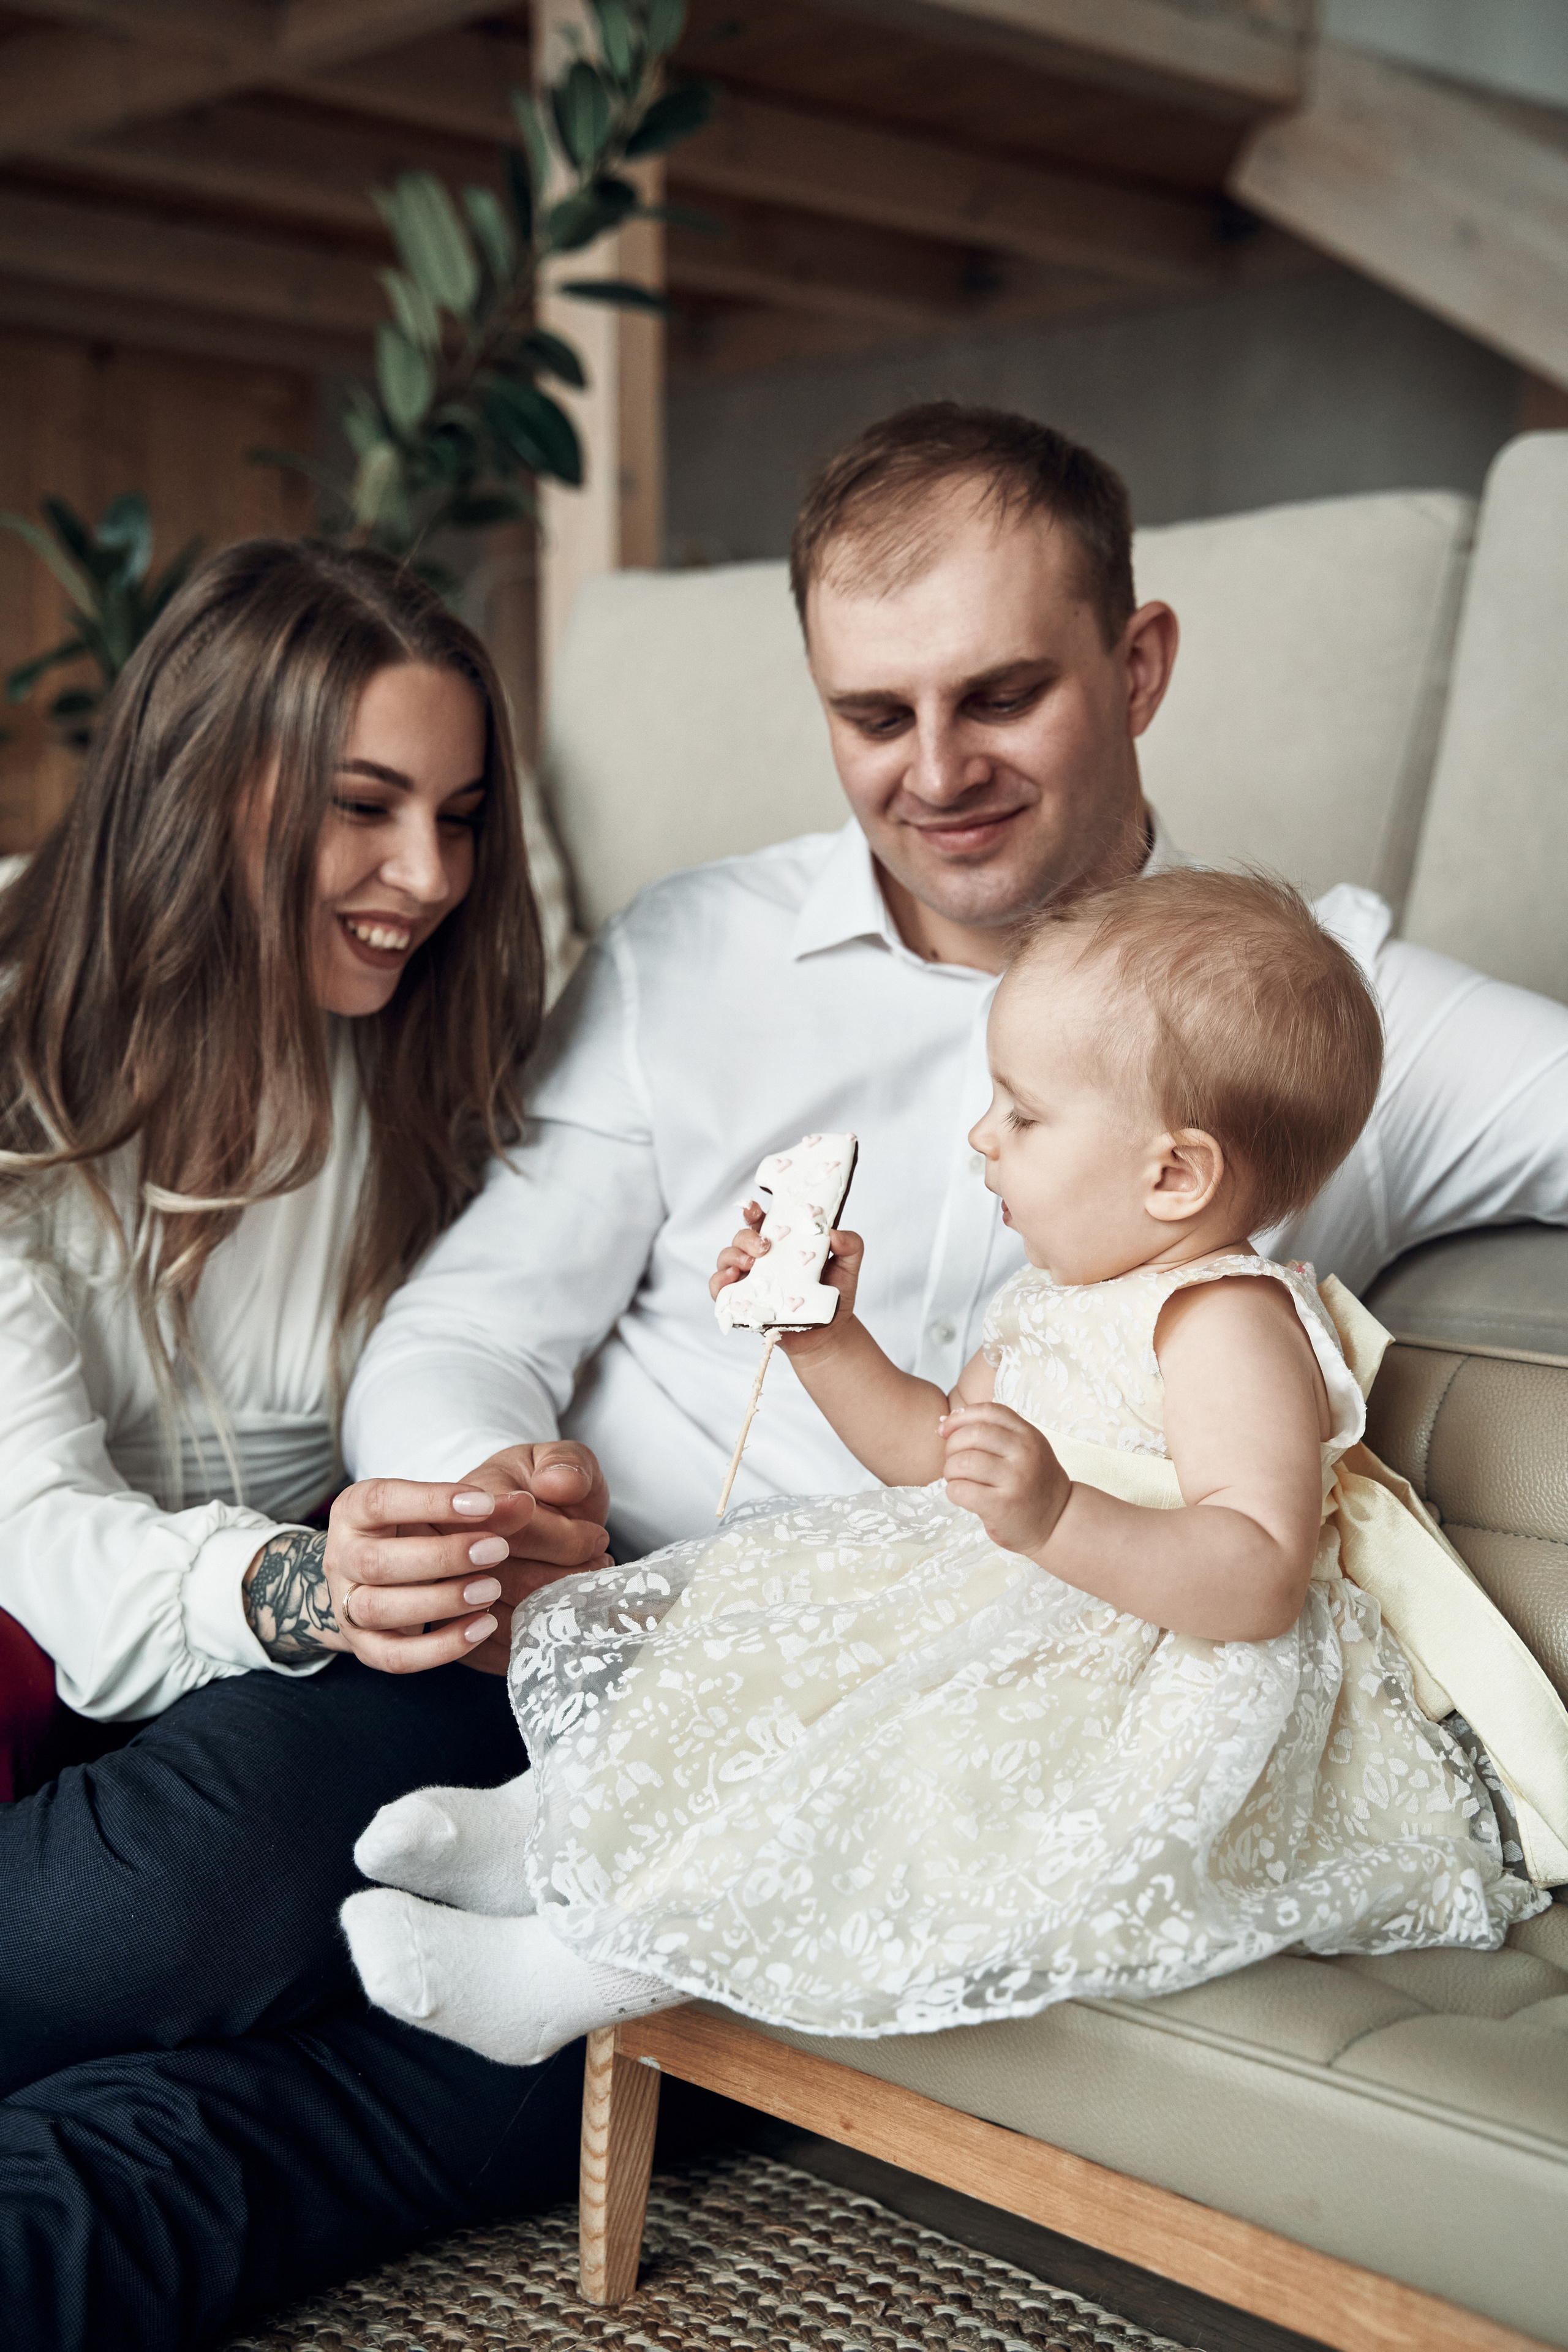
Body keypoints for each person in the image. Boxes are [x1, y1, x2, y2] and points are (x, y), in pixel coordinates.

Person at [339, 402, 1568, 1612]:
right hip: (599, 1608)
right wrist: (484, 1519)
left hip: (1010, 1717)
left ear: (1134, 669)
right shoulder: (686, 946)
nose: (934, 775)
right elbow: (474, 1328)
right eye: (873, 716)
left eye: (999, 698)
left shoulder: (1334, 1002)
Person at [339, 872, 1545, 2066]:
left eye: (1022, 1115)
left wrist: (1057, 1511)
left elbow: (1256, 1572)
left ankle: (566, 1980)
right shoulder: (1059, 1295)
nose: (981, 1137)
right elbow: (927, 1452)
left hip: (1152, 1679)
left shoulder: (1225, 1322)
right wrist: (823, 1338)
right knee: (767, 1632)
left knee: (887, 1783)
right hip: (1016, 1607)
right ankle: (552, 1827)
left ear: (1171, 1174)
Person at [0, 539, 607, 2352]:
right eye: (366, 808)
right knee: (210, 1907)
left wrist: (516, 1492)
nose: (428, 878)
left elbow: (513, 1364)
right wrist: (302, 1579)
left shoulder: (448, 1046)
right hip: (94, 1674)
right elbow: (46, 1534)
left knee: (505, 1986)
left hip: (305, 1712)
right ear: (209, 781)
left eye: (463, 815)